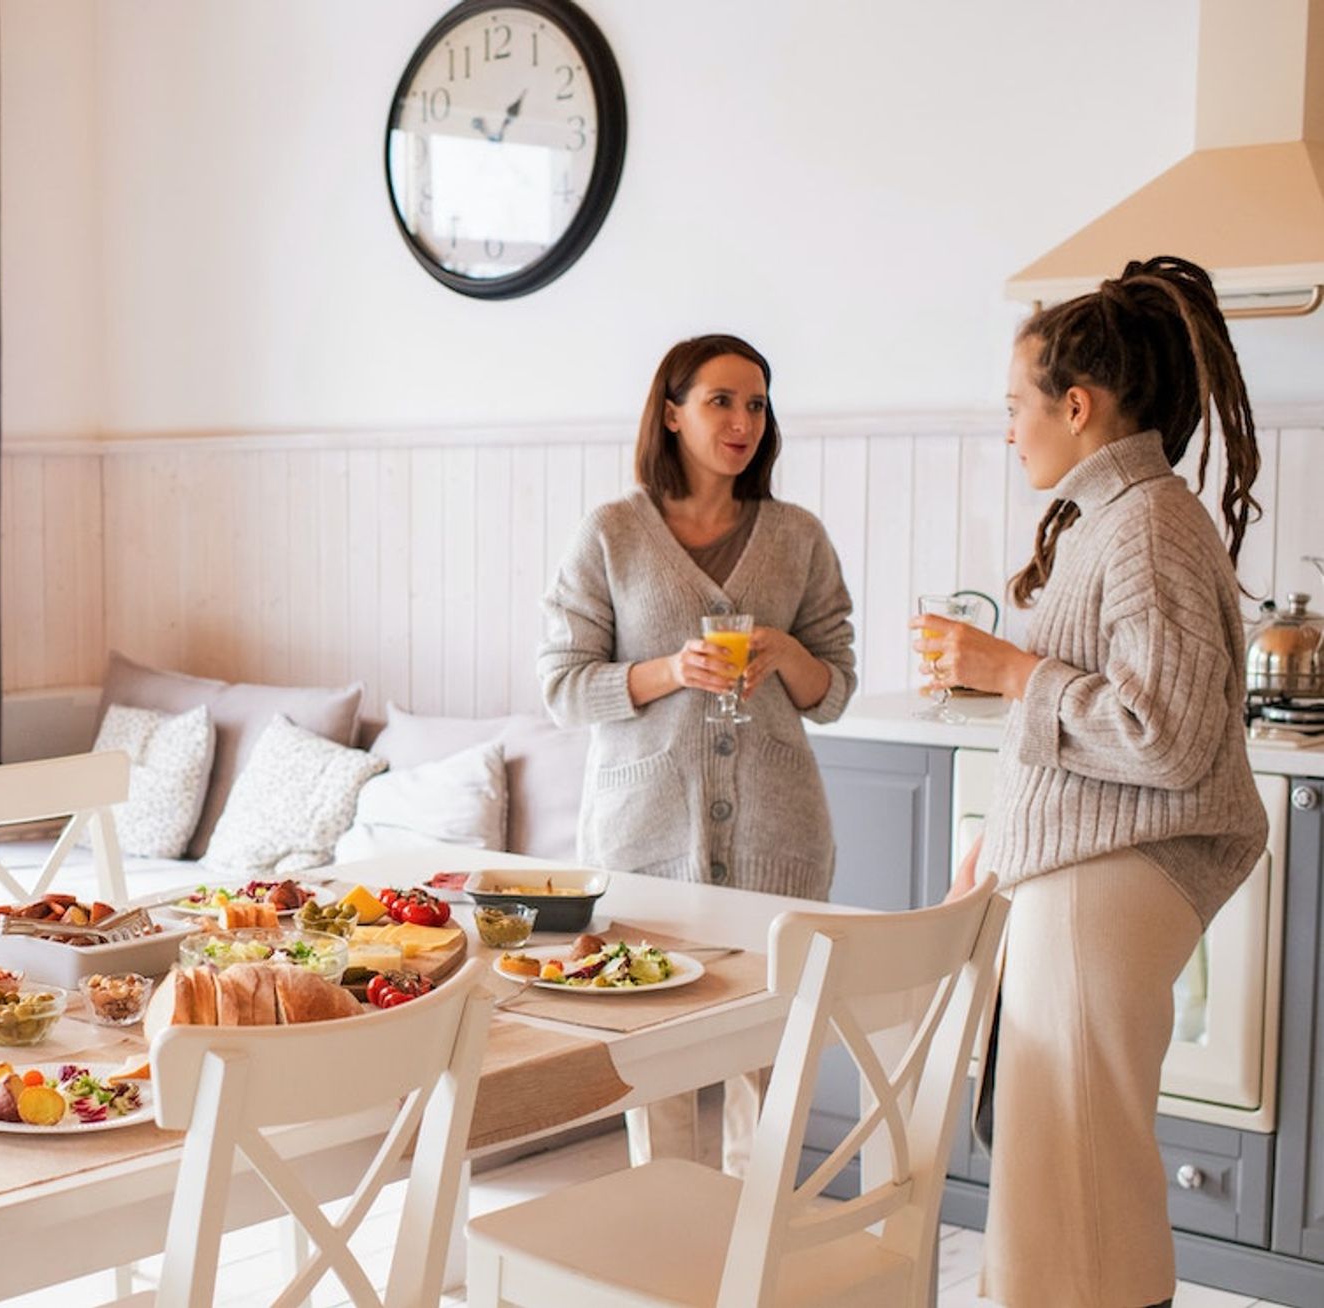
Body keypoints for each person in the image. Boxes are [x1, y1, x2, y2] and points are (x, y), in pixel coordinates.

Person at [916, 256, 1267, 1306]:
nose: (1011, 428)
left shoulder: (1146, 521)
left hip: (1107, 882)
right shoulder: (1117, 520)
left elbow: (1163, 737)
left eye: (1016, 405)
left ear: (1077, 404)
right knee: (1062, 1177)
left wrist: (1016, 672)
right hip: (1080, 874)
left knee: (1077, 1175)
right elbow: (1109, 716)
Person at [538, 332, 856, 1173]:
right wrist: (666, 672)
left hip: (775, 840)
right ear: (671, 413)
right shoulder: (611, 533)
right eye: (721, 400)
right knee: (657, 1056)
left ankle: (757, 1262)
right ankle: (668, 1251)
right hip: (644, 838)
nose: (742, 420)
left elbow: (837, 687)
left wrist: (789, 657)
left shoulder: (797, 537)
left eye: (756, 404)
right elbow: (563, 687)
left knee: (767, 1053)